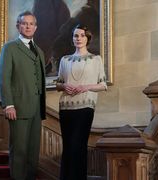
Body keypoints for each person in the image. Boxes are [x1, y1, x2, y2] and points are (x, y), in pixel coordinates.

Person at [0, 11, 46, 180]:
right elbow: (3, 78)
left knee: (33, 153)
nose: (28, 26)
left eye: (31, 24)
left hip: (37, 110)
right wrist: (8, 104)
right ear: (18, 26)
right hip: (18, 107)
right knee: (19, 151)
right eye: (24, 23)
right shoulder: (9, 47)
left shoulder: (39, 50)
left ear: (36, 27)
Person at [56, 24, 107, 180]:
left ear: (87, 38)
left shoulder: (96, 59)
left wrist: (86, 87)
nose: (78, 38)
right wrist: (64, 85)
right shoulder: (64, 60)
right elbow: (58, 84)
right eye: (75, 36)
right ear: (72, 39)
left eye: (82, 35)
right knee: (68, 147)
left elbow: (103, 85)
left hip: (85, 107)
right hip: (66, 108)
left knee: (79, 145)